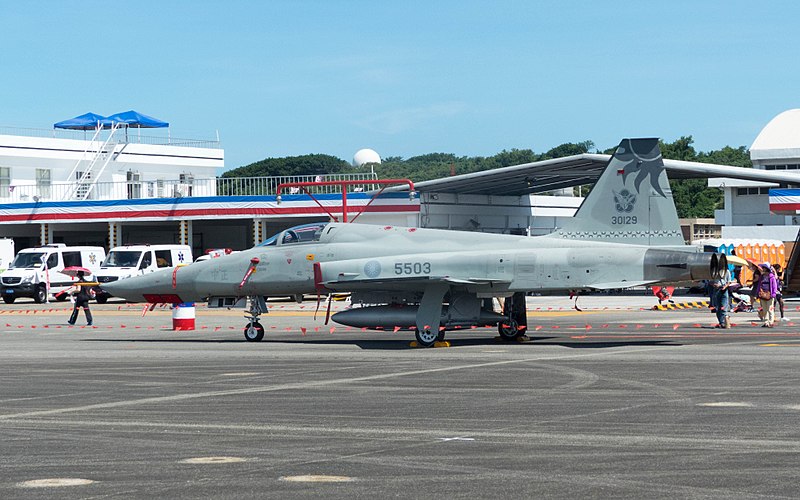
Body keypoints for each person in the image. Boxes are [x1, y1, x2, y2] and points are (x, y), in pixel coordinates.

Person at [754, 263, 778, 328]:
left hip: (769, 294)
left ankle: (771, 322)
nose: (763, 269)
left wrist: (773, 294)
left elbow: (774, 286)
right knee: (764, 309)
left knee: (770, 309)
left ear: (767, 269)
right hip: (762, 294)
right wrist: (757, 293)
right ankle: (766, 322)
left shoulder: (771, 276)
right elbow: (759, 285)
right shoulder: (762, 277)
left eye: (764, 268)